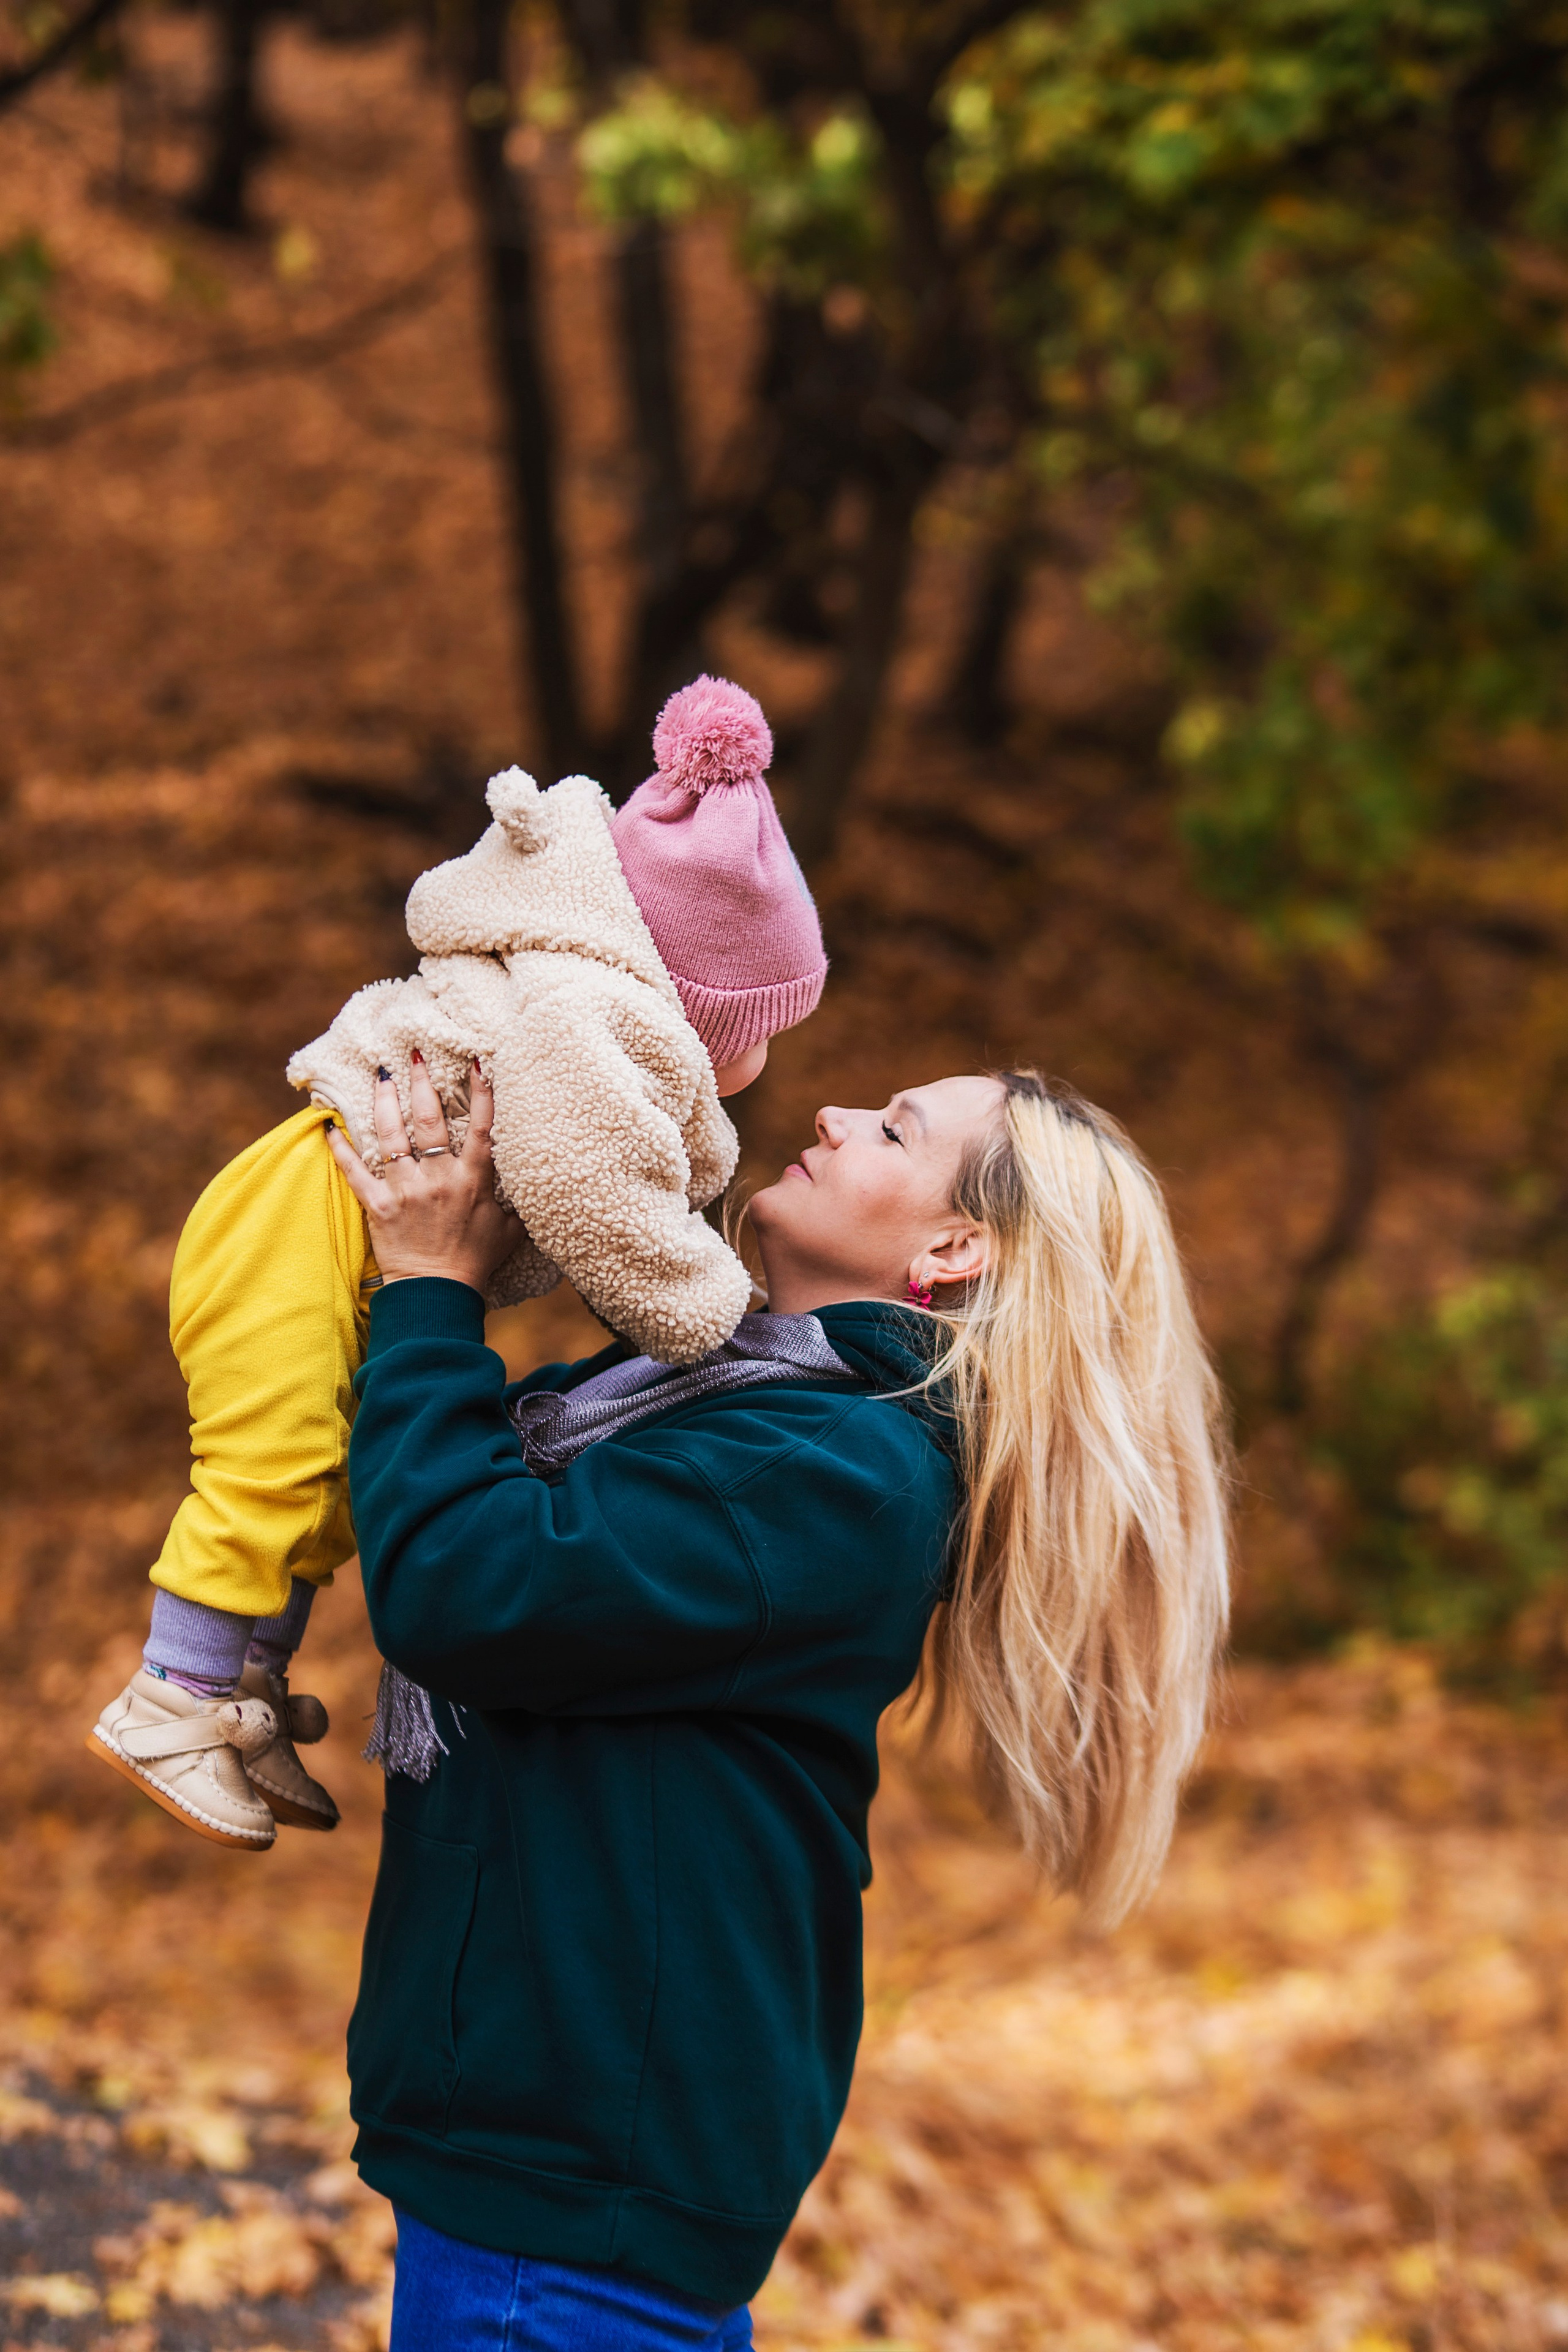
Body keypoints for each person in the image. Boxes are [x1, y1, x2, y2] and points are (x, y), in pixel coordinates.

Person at [330, 1053, 1231, 2351]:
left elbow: (471, 1581)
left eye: (892, 1130)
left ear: (952, 1247)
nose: (834, 1114)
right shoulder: (751, 1410)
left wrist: (427, 1290)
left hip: (579, 2173)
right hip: (562, 2145)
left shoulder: (833, 1466)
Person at [87, 677, 827, 1853]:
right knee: (272, 1462)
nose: (764, 1055)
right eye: (761, 1026)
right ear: (699, 997)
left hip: (324, 1223)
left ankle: (244, 1691)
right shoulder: (594, 1012)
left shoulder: (574, 984)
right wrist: (711, 1316)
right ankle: (171, 1697)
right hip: (299, 1224)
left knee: (330, 1466)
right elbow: (592, 1185)